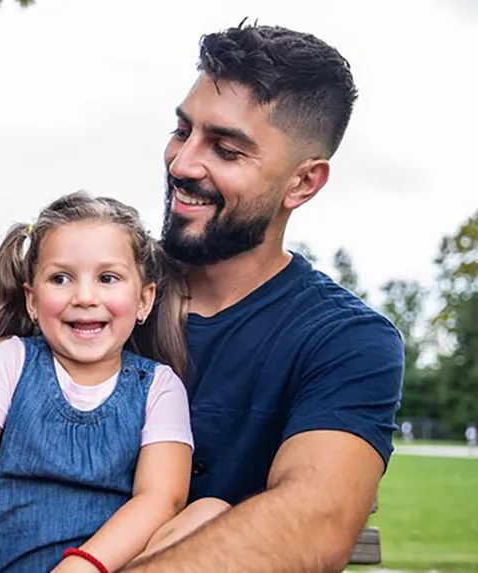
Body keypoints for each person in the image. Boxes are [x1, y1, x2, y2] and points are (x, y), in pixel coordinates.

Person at [120, 22, 404, 572]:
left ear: (303, 183)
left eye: (225, 149)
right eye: (183, 131)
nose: (182, 164)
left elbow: (313, 522)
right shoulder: (90, 295)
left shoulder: (345, 341)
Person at [0, 191, 201, 572]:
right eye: (61, 278)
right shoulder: (9, 362)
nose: (85, 297)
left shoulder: (158, 387)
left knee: (208, 514)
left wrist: (83, 566)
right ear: (32, 300)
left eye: (108, 278)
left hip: (103, 568)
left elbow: (161, 498)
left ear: (144, 300)